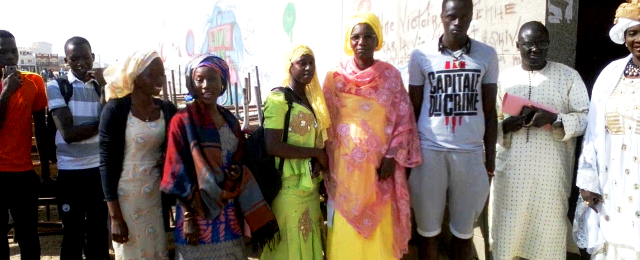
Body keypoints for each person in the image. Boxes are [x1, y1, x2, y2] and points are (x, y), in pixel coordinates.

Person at [322, 12, 422, 260]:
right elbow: (325, 123)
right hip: (344, 171)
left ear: (377, 39)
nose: (362, 42)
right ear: (349, 40)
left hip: (380, 170)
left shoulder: (390, 76)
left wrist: (392, 154)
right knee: (346, 226)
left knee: (379, 227)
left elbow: (403, 119)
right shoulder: (335, 78)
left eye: (368, 36)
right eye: (356, 37)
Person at [161, 54, 278, 260]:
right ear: (191, 83)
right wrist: (188, 218)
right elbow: (177, 171)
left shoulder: (229, 119)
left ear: (222, 82)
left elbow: (240, 157)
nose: (206, 85)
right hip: (197, 211)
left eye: (213, 79)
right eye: (200, 79)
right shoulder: (182, 121)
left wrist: (238, 171)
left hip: (229, 210)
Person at [488, 21, 589, 260]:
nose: (535, 50)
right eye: (529, 44)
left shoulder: (568, 77)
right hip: (510, 174)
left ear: (549, 45)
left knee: (548, 236)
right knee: (506, 237)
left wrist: (555, 119)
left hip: (551, 175)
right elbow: (488, 125)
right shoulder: (504, 79)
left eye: (541, 44)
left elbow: (585, 118)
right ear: (518, 45)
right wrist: (505, 126)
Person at [407, 0, 499, 259]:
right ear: (442, 17)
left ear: (471, 17)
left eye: (464, 17)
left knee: (463, 233)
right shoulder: (421, 56)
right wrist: (408, 159)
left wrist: (489, 160)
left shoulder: (486, 55)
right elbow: (412, 111)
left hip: (470, 155)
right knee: (427, 232)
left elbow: (490, 112)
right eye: (452, 16)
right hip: (429, 153)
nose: (458, 22)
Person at [574, 1, 640, 258]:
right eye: (632, 32)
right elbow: (592, 131)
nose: (638, 38)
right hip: (612, 180)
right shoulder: (610, 74)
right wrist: (588, 180)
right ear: (623, 37)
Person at [99, 50, 177, 259]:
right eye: (153, 74)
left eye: (162, 74)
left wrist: (167, 160)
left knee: (157, 251)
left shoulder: (166, 109)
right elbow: (106, 163)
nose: (159, 79)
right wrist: (115, 217)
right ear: (135, 74)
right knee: (131, 252)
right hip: (126, 198)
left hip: (156, 196)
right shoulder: (116, 109)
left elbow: (177, 147)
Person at [259, 44, 331, 260]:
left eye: (311, 63)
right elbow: (272, 145)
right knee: (289, 243)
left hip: (309, 188)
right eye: (302, 63)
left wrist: (319, 160)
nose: (308, 67)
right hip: (288, 186)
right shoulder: (279, 100)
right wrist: (315, 153)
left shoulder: (312, 101)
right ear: (290, 66)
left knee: (308, 240)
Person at [47, 36, 109, 260]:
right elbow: (69, 134)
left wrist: (105, 87)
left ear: (93, 57)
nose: (81, 63)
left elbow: (116, 118)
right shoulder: (57, 86)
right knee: (72, 235)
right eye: (75, 59)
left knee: (99, 235)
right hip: (70, 173)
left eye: (85, 57)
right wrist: (102, 125)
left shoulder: (104, 85)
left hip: (98, 172)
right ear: (67, 61)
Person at [0, 30, 50, 260]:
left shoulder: (34, 82)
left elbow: (40, 128)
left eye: (13, 51)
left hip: (23, 174)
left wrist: (46, 174)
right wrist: (5, 92)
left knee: (29, 236)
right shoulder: (8, 86)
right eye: (2, 52)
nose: (10, 57)